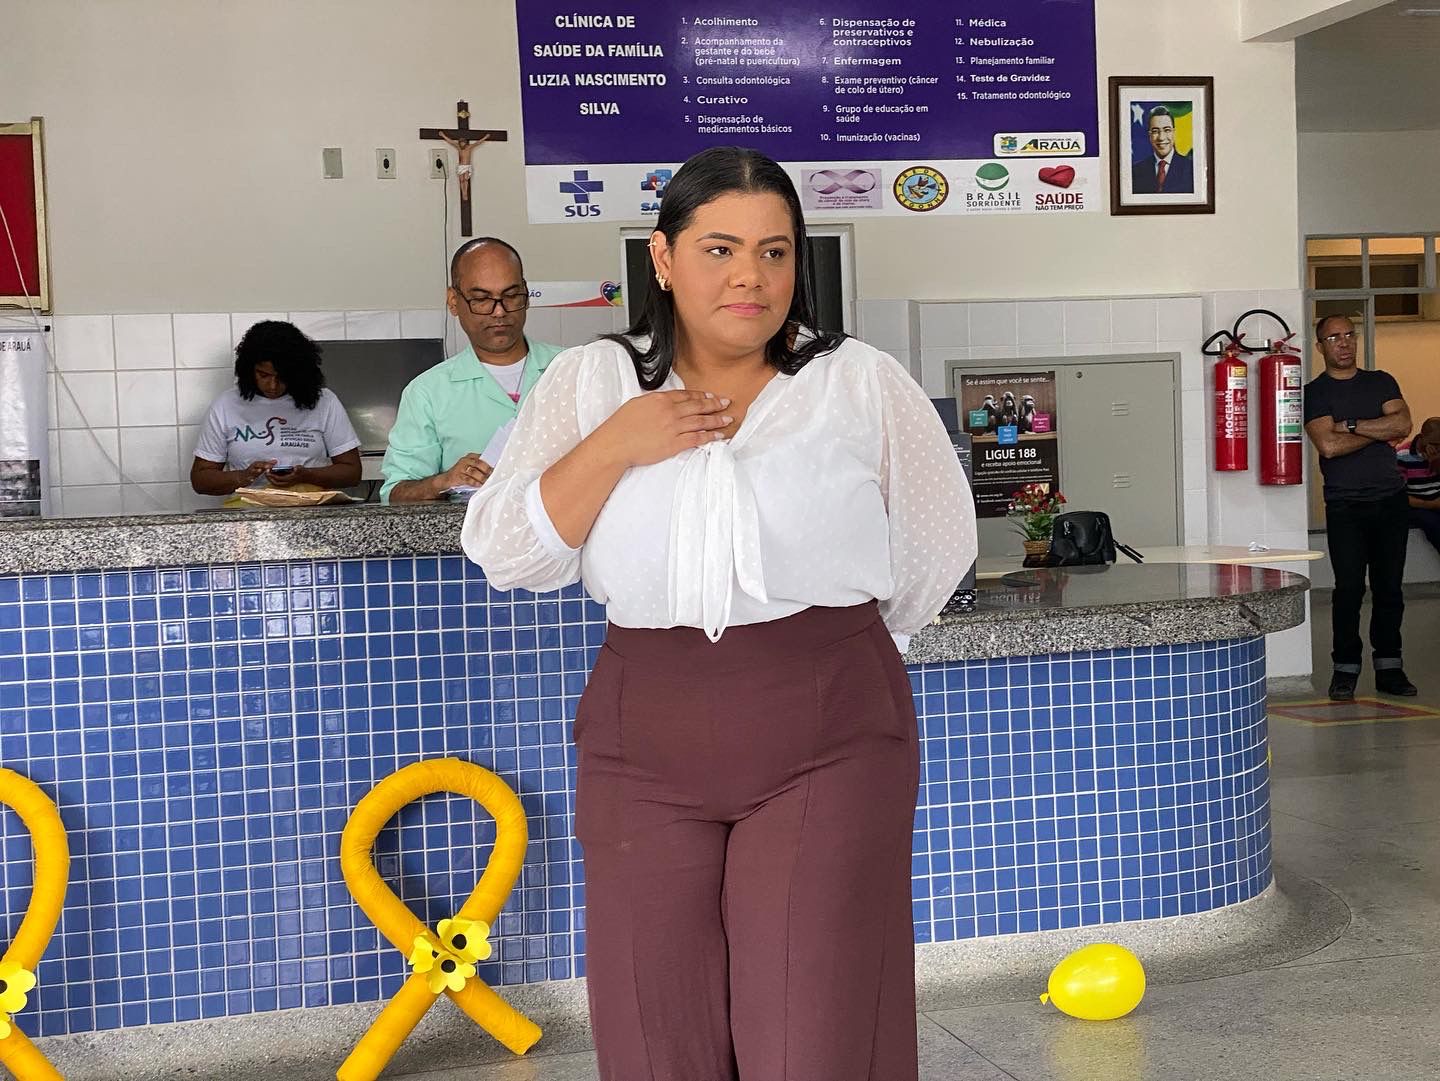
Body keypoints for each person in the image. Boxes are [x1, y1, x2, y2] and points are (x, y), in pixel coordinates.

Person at [461, 146, 975, 1081]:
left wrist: (829, 654)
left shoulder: (856, 382)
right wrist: (616, 444)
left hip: (829, 729)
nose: (751, 276)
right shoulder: (592, 382)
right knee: (656, 1033)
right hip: (642, 737)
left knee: (812, 1034)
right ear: (662, 258)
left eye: (775, 252)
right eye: (720, 249)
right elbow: (506, 549)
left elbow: (936, 547)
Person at [381, 238, 564, 502]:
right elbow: (395, 494)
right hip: (469, 528)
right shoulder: (428, 393)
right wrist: (442, 482)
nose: (499, 312)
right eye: (481, 299)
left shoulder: (572, 368)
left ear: (526, 294)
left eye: (511, 296)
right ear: (453, 301)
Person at [1303, 315, 1416, 700]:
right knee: (1349, 589)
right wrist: (1377, 429)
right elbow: (1328, 446)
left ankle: (1390, 667)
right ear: (1321, 347)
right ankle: (1345, 669)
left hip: (1390, 500)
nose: (1344, 343)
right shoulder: (1316, 393)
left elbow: (1403, 425)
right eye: (1334, 337)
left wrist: (1348, 425)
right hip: (1345, 504)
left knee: (1389, 588)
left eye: (1349, 334)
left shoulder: (1381, 381)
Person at [190, 320, 362, 495]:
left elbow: (352, 473)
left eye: (283, 377)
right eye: (263, 375)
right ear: (248, 370)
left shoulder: (324, 401)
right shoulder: (226, 404)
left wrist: (307, 475)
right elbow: (200, 480)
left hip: (309, 507)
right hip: (247, 509)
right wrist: (243, 476)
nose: (273, 386)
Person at [1131, 105, 1195, 194]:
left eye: (1167, 130)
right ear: (1150, 136)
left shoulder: (1191, 169)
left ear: (1174, 133)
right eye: (1155, 131)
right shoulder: (1135, 172)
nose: (1161, 137)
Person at [1400, 416, 1440, 553]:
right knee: (1432, 523)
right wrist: (1431, 504)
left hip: (1436, 498)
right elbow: (1400, 496)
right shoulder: (1402, 455)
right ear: (1423, 438)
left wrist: (1436, 463)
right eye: (1436, 444)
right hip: (1417, 505)